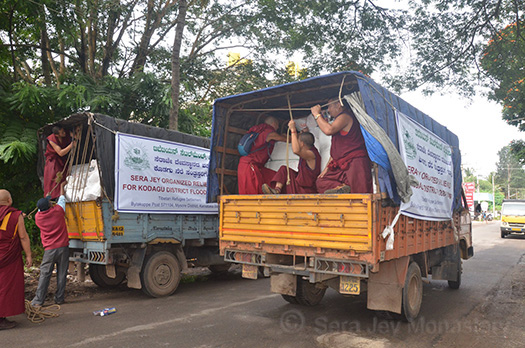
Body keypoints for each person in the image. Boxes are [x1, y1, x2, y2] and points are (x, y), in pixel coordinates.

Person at [311, 98, 372, 194]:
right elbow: (336, 150)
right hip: (340, 164)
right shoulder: (338, 120)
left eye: (329, 106)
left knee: (358, 193)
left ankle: (345, 189)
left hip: (354, 163)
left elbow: (328, 130)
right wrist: (326, 169)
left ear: (338, 105)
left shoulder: (345, 116)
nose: (329, 110)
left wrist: (316, 114)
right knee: (321, 182)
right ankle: (342, 188)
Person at [31, 181, 69, 307]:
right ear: (50, 205)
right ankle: (59, 299)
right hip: (63, 247)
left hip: (50, 250)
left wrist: (47, 199)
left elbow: (46, 207)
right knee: (62, 273)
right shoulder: (58, 211)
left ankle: (38, 300)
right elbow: (62, 199)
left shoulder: (38, 218)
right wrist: (62, 186)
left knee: (45, 274)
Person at [0, 189, 32, 330]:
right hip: (8, 258)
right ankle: (1, 319)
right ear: (9, 201)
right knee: (6, 287)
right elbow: (23, 237)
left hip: (5, 255)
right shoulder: (15, 215)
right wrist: (29, 255)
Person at [262, 120, 321, 194]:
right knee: (284, 169)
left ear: (302, 144)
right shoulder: (307, 152)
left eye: (298, 141)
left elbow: (296, 151)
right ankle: (276, 190)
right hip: (299, 184)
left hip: (305, 190)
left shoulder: (312, 154)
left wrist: (293, 130)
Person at [237, 116, 287, 194]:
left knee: (273, 177)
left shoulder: (257, 130)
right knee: (252, 195)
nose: (277, 128)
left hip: (249, 165)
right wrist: (294, 134)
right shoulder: (269, 132)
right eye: (277, 125)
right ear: (273, 124)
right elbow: (285, 139)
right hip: (249, 166)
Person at [44, 126, 76, 199]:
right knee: (55, 181)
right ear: (57, 135)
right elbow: (60, 153)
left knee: (65, 178)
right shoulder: (52, 139)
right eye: (62, 133)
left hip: (62, 161)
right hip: (53, 162)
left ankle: (65, 196)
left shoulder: (66, 134)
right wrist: (71, 145)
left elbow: (75, 135)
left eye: (63, 131)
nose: (64, 133)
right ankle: (54, 198)